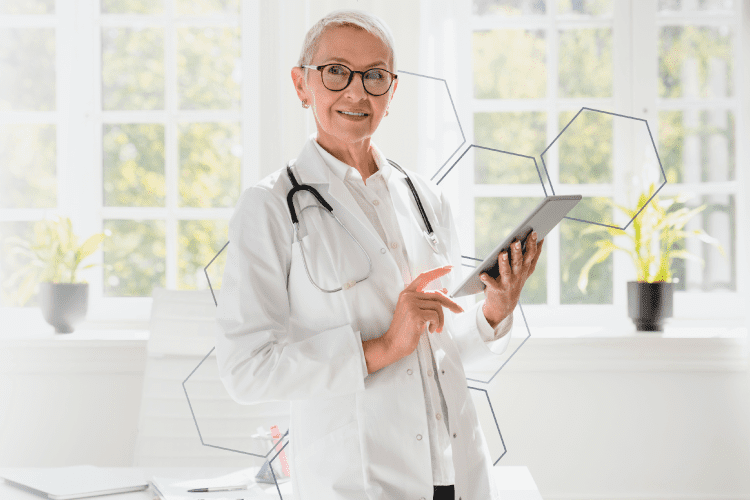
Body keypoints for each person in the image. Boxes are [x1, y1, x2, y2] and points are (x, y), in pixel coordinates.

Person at [214, 9, 543, 500]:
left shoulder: (426, 199)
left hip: (456, 472)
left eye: (374, 76)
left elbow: (439, 346)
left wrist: (496, 310)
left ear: (392, 91)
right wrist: (383, 347)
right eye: (335, 72)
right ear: (301, 85)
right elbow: (246, 371)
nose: (356, 91)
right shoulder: (268, 207)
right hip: (357, 480)